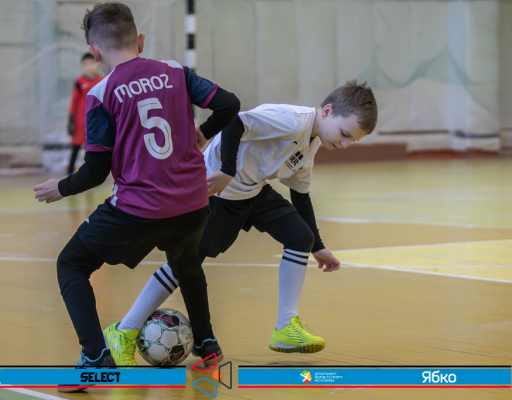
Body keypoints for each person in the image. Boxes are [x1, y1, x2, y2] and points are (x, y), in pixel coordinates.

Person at [33, 2, 240, 392]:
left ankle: (95, 358)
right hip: (194, 203)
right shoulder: (176, 71)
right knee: (186, 265)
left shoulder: (101, 93)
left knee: (71, 264)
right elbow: (229, 104)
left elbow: (96, 172)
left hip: (139, 209)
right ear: (140, 41)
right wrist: (203, 134)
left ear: (94, 51)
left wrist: (61, 187)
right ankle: (208, 345)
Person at [113, 80, 378, 363]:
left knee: (301, 237)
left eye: (352, 140)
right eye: (345, 134)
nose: (345, 144)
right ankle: (124, 330)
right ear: (327, 111)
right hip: (215, 190)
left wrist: (318, 246)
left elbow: (301, 195)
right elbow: (235, 122)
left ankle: (286, 327)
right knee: (185, 263)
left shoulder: (310, 144)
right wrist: (227, 170)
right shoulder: (291, 120)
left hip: (251, 191)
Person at [67, 53, 103, 176]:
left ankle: (93, 173)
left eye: (91, 63)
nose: (89, 67)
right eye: (86, 64)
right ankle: (70, 171)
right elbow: (74, 101)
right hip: (81, 121)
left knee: (94, 148)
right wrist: (71, 120)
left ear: (96, 64)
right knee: (76, 146)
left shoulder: (102, 81)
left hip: (96, 121)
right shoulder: (79, 82)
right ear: (82, 66)